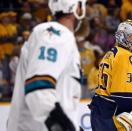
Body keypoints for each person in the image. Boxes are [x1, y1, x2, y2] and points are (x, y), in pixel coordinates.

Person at [7, 0, 86, 131]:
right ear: (76, 8)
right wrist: (63, 126)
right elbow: (39, 88)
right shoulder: (56, 33)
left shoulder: (54, 36)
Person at [89, 20, 132, 131]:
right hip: (112, 115)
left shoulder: (111, 53)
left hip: (99, 111)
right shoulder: (127, 57)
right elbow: (124, 97)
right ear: (121, 36)